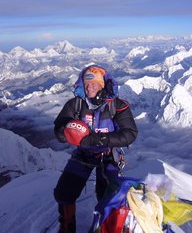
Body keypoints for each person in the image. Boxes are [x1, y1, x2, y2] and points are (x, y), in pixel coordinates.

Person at [53, 65, 138, 232]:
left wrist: (98, 140)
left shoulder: (117, 106)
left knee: (107, 195)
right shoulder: (76, 104)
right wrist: (69, 133)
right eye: (86, 84)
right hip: (84, 153)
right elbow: (59, 129)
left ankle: (105, 227)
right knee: (64, 193)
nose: (89, 86)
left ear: (103, 84)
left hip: (108, 154)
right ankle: (67, 228)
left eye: (94, 83)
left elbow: (130, 133)